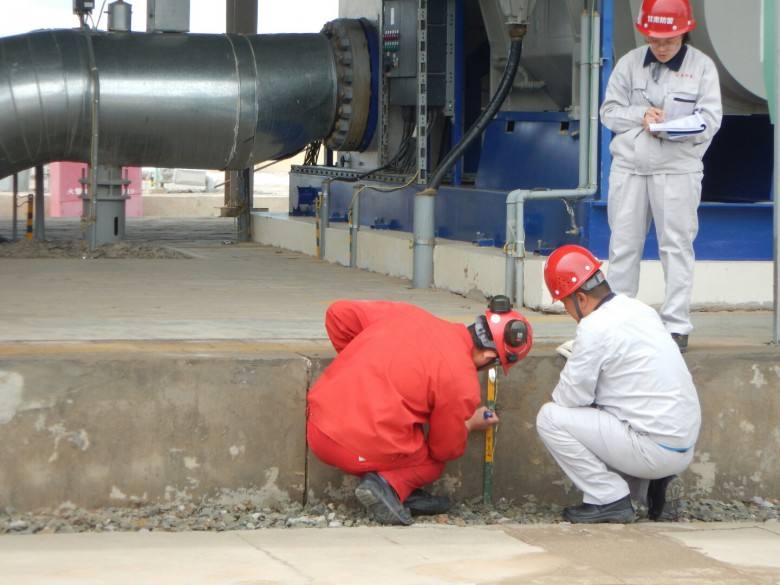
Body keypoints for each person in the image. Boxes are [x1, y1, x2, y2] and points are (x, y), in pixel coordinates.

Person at [307, 296, 532, 525]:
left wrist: (363, 362)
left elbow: (338, 314)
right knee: (430, 463)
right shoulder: (461, 381)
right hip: (351, 445)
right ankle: (389, 485)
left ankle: (398, 487)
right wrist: (470, 422)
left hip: (317, 424)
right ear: (489, 357)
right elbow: (444, 449)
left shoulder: (409, 314)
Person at [536, 245, 701, 523]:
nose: (567, 311)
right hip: (684, 446)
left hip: (652, 449)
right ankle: (652, 484)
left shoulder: (593, 328)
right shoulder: (639, 309)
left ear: (580, 298)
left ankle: (608, 498)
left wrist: (578, 360)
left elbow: (570, 398)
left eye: (565, 303)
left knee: (550, 418)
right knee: (614, 405)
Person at [599, 0, 723, 353]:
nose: (662, 46)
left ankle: (676, 325)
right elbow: (608, 112)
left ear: (684, 31)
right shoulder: (628, 64)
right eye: (654, 39)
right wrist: (641, 115)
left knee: (676, 247)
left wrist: (670, 128)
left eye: (668, 39)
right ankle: (619, 323)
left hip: (677, 170)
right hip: (630, 169)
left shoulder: (702, 69)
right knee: (623, 245)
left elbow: (710, 119)